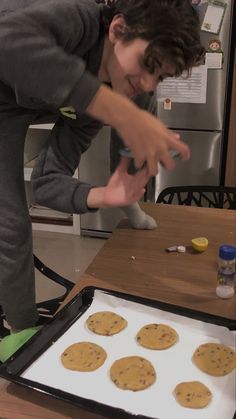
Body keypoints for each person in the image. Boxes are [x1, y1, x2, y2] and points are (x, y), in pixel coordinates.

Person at [0, 0, 204, 361]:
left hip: (26, 105)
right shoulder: (76, 18)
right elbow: (8, 41)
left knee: (139, 103)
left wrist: (110, 197)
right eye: (148, 66)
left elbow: (48, 183)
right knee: (10, 225)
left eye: (161, 76)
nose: (148, 83)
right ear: (117, 29)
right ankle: (22, 330)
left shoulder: (111, 96)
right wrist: (117, 109)